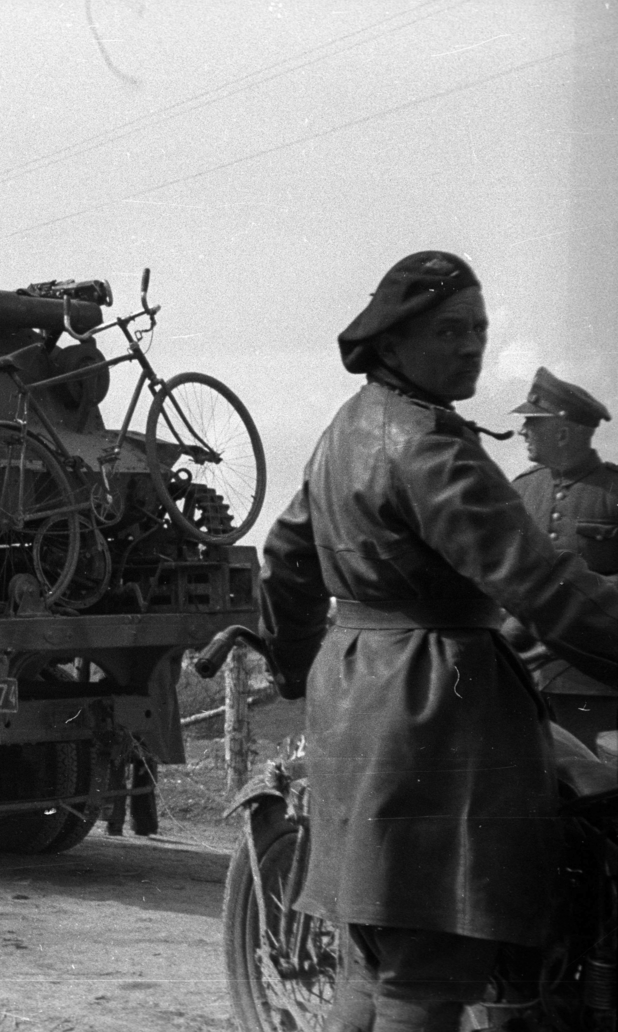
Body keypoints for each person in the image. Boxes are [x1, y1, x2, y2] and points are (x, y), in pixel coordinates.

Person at [259, 251, 618, 1032]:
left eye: (480, 330)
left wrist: (297, 667)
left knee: (374, 955)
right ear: (392, 342)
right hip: (434, 713)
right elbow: (540, 584)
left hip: (354, 704)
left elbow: (287, 555)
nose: (470, 347)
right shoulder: (429, 445)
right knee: (433, 963)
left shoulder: (348, 426)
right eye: (449, 331)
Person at [499, 367, 618, 751]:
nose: (522, 432)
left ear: (563, 433)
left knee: (593, 787)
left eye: (532, 424)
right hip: (520, 670)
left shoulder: (613, 491)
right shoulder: (520, 491)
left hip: (589, 678)